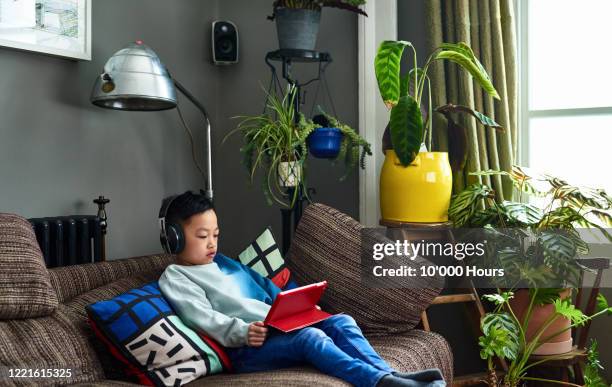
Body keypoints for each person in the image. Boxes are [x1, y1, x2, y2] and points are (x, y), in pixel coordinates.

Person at [158, 191, 445, 387]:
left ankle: (389, 374)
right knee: (311, 338)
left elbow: (267, 289)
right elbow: (201, 317)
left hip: (275, 329)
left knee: (341, 320)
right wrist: (242, 331)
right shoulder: (176, 276)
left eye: (216, 235)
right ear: (173, 238)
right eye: (202, 236)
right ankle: (378, 382)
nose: (212, 243)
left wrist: (303, 308)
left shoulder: (224, 263)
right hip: (245, 349)